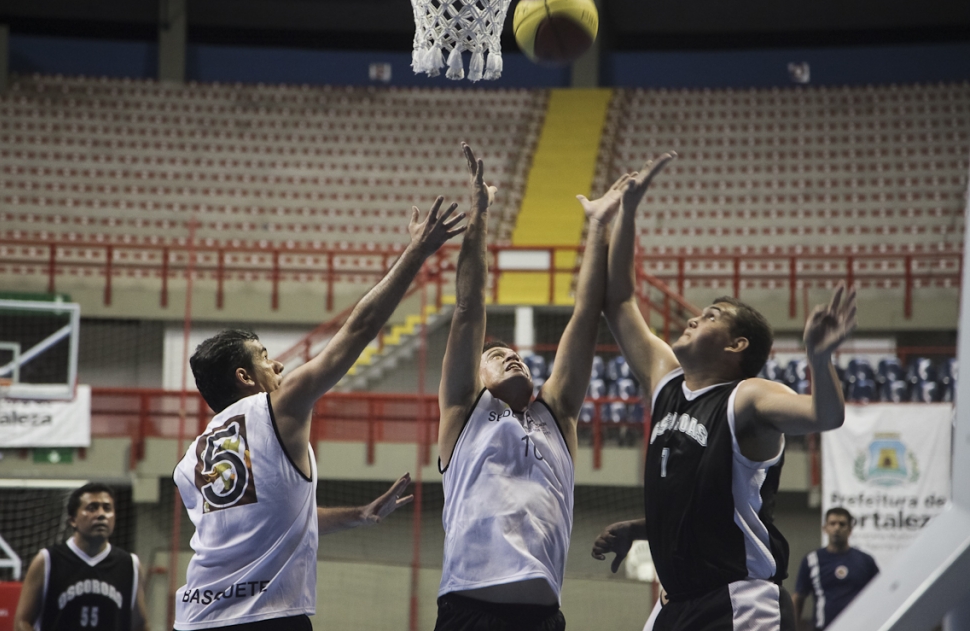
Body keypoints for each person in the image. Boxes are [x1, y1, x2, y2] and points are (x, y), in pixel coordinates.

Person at [590, 152, 858, 631]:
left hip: (739, 601)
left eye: (711, 315)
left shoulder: (748, 397)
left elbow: (825, 415)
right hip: (675, 603)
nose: (694, 317)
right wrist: (626, 213)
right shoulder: (668, 382)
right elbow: (618, 299)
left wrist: (819, 357)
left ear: (737, 345)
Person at [173, 195, 465, 631]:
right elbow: (360, 328)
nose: (278, 365)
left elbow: (275, 519)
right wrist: (418, 252)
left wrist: (359, 515)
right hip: (266, 617)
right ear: (244, 376)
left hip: (196, 617)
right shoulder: (277, 407)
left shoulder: (189, 462)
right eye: (265, 357)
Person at [434, 143, 628, 631]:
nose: (510, 355)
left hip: (543, 617)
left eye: (515, 353)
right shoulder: (463, 412)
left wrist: (599, 226)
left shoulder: (556, 415)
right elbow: (468, 305)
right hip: (468, 610)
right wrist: (480, 215)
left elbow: (586, 315)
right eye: (495, 356)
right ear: (475, 379)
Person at [14, 482, 150, 631]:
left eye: (107, 508)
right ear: (73, 520)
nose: (101, 515)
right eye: (92, 508)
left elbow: (141, 625)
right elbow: (22, 622)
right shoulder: (47, 560)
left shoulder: (129, 564)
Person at [792, 507, 879, 630]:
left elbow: (880, 595)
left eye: (842, 524)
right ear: (825, 528)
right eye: (832, 523)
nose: (837, 528)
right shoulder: (812, 560)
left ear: (850, 529)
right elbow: (798, 597)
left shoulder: (866, 561)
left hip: (858, 627)